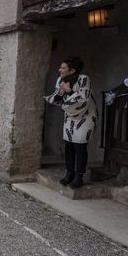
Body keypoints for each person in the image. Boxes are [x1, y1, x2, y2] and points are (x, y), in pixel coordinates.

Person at [44, 57, 97, 189]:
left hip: (85, 116)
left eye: (63, 68)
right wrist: (61, 93)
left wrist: (69, 91)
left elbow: (83, 100)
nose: (59, 70)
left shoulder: (84, 79)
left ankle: (79, 177)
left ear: (72, 70)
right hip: (70, 116)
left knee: (80, 146)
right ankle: (69, 173)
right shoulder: (60, 80)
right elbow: (57, 100)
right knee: (69, 145)